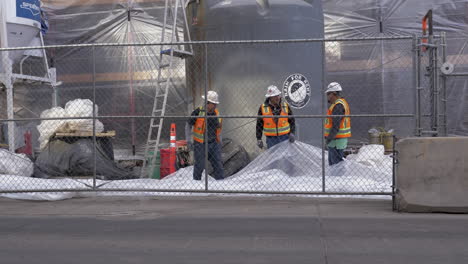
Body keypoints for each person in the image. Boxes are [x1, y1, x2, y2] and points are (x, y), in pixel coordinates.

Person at [186, 91, 224, 180]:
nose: (215, 106)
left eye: (215, 104)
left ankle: (221, 186)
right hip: (200, 144)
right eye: (213, 104)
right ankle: (196, 184)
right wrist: (188, 140)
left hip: (214, 144)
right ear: (207, 103)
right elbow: (188, 125)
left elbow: (219, 129)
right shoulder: (198, 112)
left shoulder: (217, 114)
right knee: (199, 165)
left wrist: (220, 141)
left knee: (218, 165)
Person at [256, 85, 296, 149]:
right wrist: (259, 139)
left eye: (278, 95)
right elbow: (259, 124)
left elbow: (292, 121)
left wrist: (292, 133)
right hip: (271, 140)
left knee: (285, 157)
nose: (277, 98)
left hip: (285, 138)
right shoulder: (263, 108)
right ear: (270, 98)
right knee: (274, 157)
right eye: (274, 96)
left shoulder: (285, 106)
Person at [324, 82, 351, 166]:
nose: (327, 96)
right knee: (336, 167)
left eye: (329, 94)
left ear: (334, 93)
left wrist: (329, 139)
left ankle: (336, 179)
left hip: (336, 141)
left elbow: (336, 125)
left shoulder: (338, 106)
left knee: (336, 166)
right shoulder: (340, 103)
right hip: (337, 141)